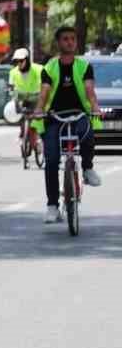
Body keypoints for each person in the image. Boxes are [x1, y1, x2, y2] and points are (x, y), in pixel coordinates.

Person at [31, 25, 103, 223]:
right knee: (52, 159)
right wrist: (39, 109)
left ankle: (87, 169)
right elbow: (44, 92)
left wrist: (95, 107)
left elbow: (89, 90)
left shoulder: (84, 66)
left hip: (79, 114)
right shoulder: (49, 68)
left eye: (72, 38)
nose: (70, 42)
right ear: (58, 43)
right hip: (54, 117)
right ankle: (52, 205)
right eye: (65, 39)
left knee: (87, 132)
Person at [7, 47, 43, 164]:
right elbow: (11, 88)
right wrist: (12, 94)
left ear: (27, 60)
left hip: (35, 98)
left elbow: (44, 85)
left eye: (21, 61)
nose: (19, 63)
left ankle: (37, 143)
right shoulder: (13, 72)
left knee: (34, 124)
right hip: (21, 99)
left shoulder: (38, 69)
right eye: (17, 61)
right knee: (22, 120)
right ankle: (23, 136)